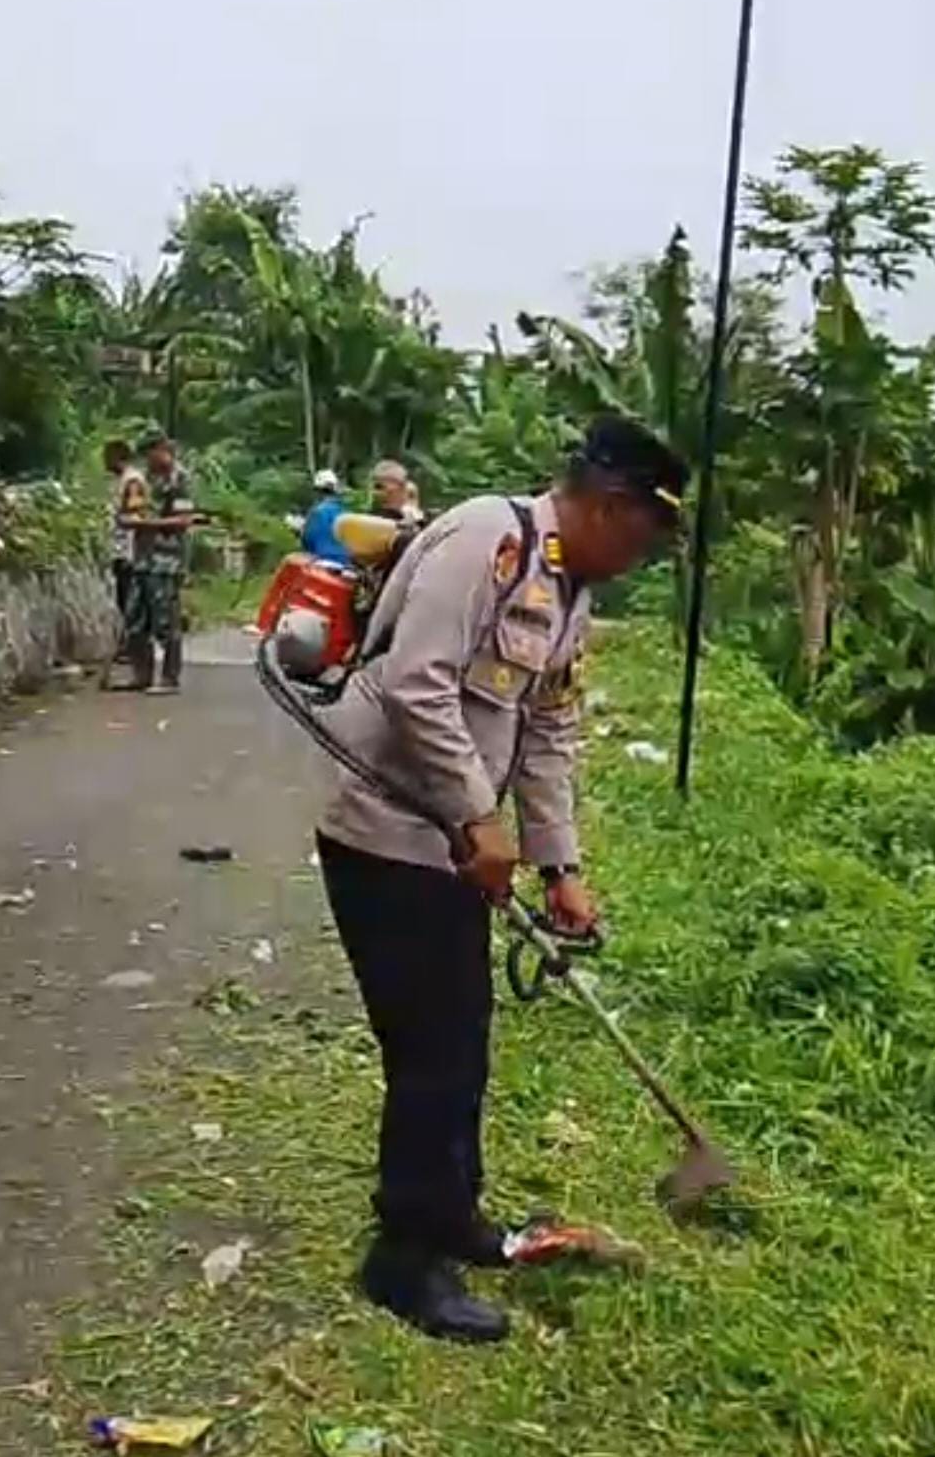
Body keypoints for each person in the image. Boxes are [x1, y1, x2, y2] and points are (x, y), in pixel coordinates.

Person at [315, 414, 688, 1343]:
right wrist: (480, 815)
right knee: (431, 1051)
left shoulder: (567, 595)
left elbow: (551, 731)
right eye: (640, 539)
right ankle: (403, 1260)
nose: (637, 561)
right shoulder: (487, 537)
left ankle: (450, 1213)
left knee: (462, 1039)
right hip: (387, 830)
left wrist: (560, 863)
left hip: (449, 844)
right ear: (609, 507)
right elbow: (416, 684)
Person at [121, 430, 197, 695]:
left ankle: (169, 677)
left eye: (150, 452)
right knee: (135, 619)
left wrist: (148, 525)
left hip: (168, 559)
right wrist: (129, 518)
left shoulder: (179, 478)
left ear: (162, 449)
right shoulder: (144, 479)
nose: (147, 459)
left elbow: (184, 520)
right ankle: (141, 675)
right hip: (141, 558)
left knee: (166, 620)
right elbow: (131, 510)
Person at [105, 438, 147, 626]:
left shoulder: (132, 481)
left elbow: (135, 511)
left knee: (128, 598)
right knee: (122, 597)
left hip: (128, 548)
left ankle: (132, 642)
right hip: (120, 546)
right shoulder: (121, 480)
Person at [300, 469, 352, 566]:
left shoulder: (317, 512)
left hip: (321, 563)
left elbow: (307, 540)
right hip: (346, 565)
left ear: (318, 491)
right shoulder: (345, 513)